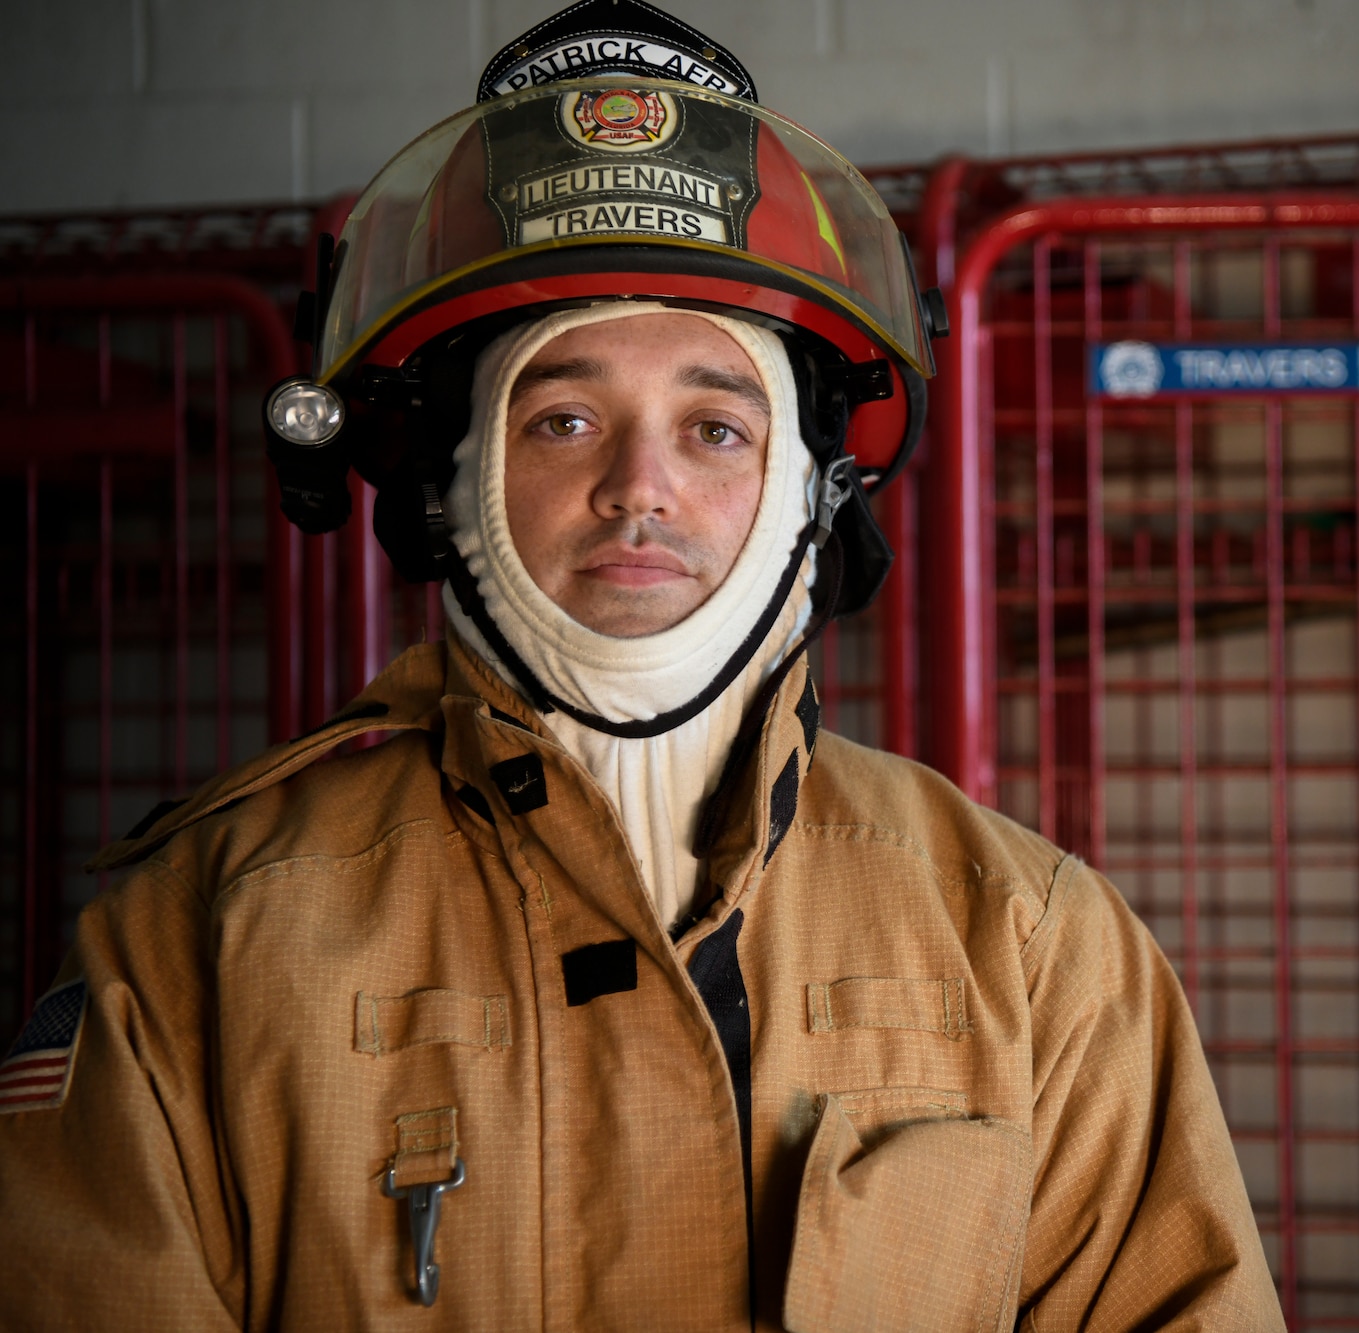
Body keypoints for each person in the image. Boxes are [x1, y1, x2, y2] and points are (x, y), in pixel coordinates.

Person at [0, 3, 1282, 1328]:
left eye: (718, 427)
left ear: (809, 489)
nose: (638, 488)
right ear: (456, 484)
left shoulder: (1034, 950)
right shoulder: (196, 945)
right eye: (563, 417)